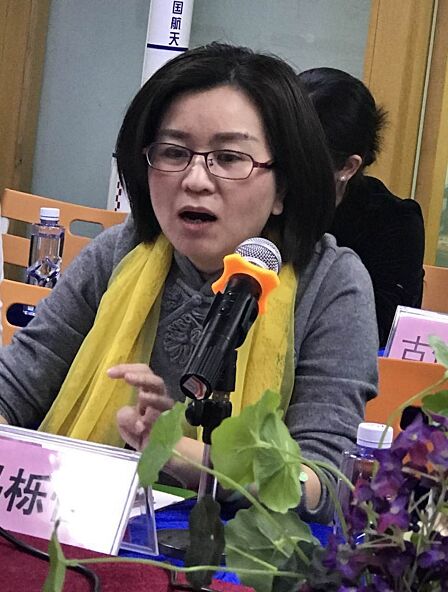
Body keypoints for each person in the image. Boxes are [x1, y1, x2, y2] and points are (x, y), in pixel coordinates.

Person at [0, 44, 378, 524]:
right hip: (80, 530)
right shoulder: (118, 252)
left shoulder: (331, 283)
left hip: (242, 553)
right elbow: (14, 387)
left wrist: (186, 457)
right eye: (174, 153)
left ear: (282, 187)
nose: (196, 180)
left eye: (229, 157)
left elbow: (326, 483)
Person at [298, 67, 425, 348]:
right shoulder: (257, 199)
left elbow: (376, 330)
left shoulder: (395, 222)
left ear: (347, 166)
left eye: (298, 155)